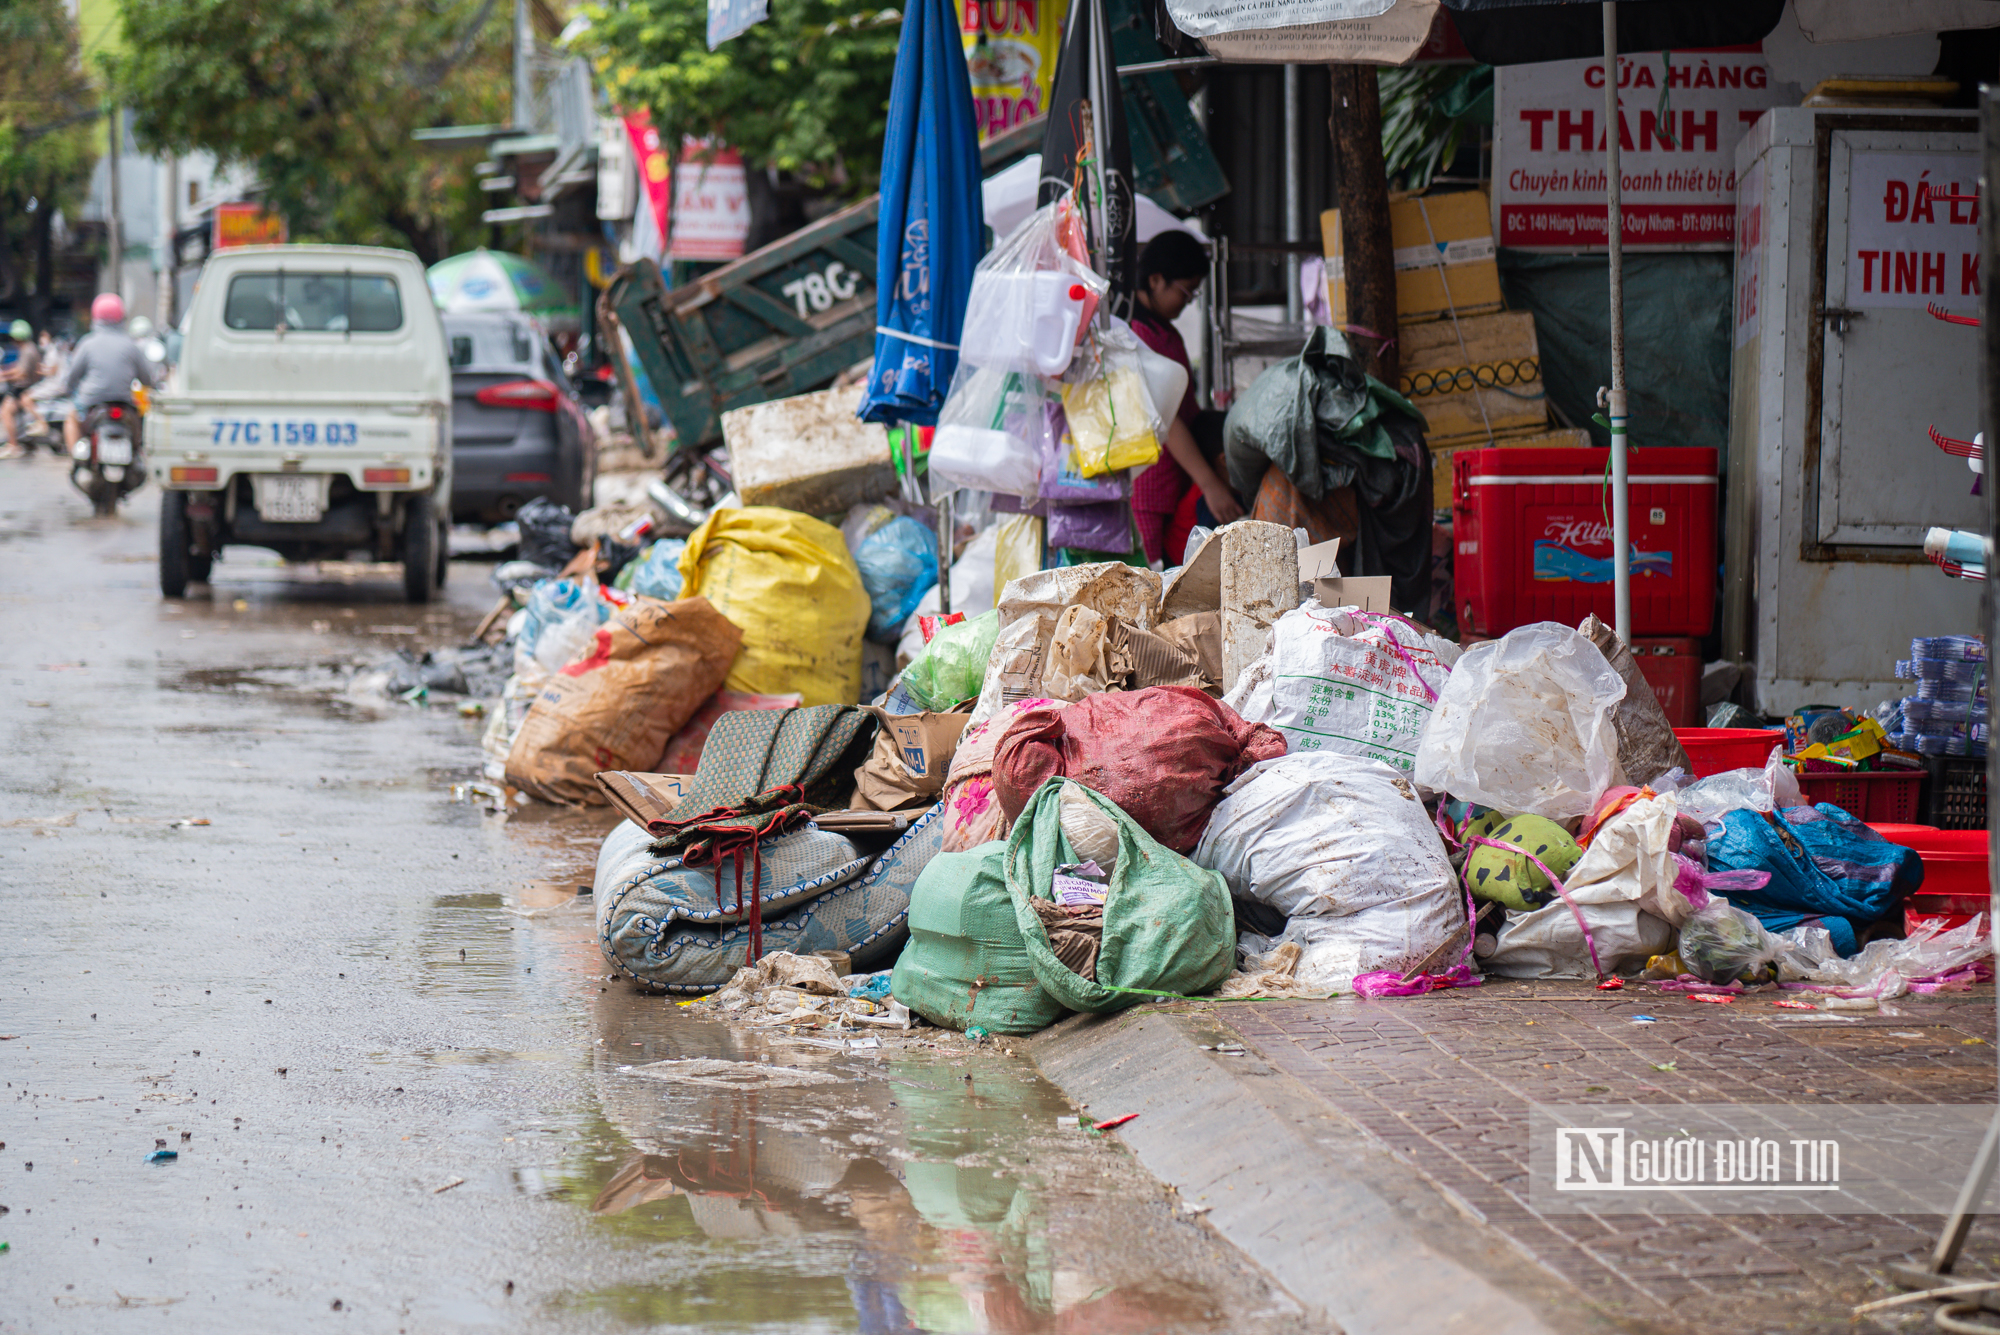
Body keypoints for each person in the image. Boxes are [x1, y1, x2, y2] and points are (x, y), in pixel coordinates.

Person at [1126, 230, 1240, 566]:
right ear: (1156, 280)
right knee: (1150, 581)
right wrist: (1209, 483)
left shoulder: (1164, 330)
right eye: (1185, 291)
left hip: (1175, 482)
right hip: (1148, 489)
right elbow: (1165, 417)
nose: (1187, 301)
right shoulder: (1135, 334)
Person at [62, 293, 157, 454]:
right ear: (122, 317)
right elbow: (147, 378)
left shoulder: (87, 343)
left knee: (71, 418)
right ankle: (137, 453)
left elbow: (72, 376)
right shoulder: (130, 345)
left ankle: (76, 459)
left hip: (91, 404)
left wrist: (67, 387)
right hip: (125, 404)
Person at [0, 319, 42, 457]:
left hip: (24, 389)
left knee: (5, 412)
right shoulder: (29, 348)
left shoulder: (27, 350)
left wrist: (5, 376)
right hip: (27, 388)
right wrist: (5, 371)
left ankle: (13, 444)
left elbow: (21, 373)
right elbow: (18, 367)